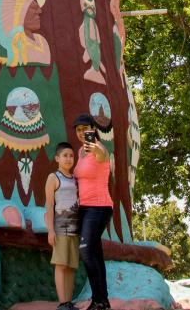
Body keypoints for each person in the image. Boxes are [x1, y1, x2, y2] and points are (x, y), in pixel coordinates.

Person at [72, 114, 113, 310]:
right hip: (85, 208)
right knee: (95, 254)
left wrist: (97, 147)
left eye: (85, 129)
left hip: (99, 207)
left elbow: (103, 155)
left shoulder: (97, 148)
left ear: (93, 128)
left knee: (86, 251)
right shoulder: (80, 152)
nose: (82, 133)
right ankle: (101, 301)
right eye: (78, 130)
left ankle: (99, 299)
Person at [45, 142, 80, 310]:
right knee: (61, 264)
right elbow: (49, 206)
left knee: (71, 266)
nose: (68, 158)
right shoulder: (53, 177)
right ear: (57, 158)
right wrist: (50, 230)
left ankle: (69, 301)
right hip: (60, 228)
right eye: (65, 155)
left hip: (75, 228)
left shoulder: (76, 179)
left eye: (71, 155)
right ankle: (62, 303)